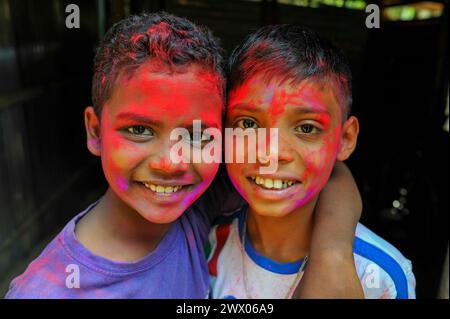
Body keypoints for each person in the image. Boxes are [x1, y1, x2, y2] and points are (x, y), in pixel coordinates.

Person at [6, 13, 362, 299]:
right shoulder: (45, 289)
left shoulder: (195, 206)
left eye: (196, 135)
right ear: (96, 130)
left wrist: (332, 254)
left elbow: (329, 172)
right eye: (139, 130)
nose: (171, 162)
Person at [207, 25, 416, 299]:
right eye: (248, 124)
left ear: (346, 139)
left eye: (306, 128)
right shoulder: (205, 242)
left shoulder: (380, 278)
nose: (271, 153)